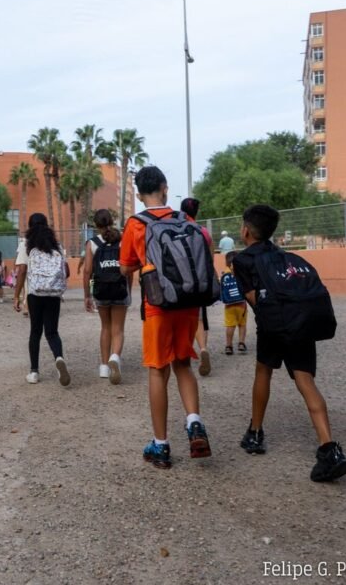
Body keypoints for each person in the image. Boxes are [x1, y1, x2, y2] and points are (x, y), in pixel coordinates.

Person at [232, 204, 346, 482]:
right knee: (305, 380)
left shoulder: (243, 260)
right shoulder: (285, 256)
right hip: (302, 322)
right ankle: (329, 448)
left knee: (264, 371)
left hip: (275, 326)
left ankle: (255, 433)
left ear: (246, 230)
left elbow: (253, 300)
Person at [120, 166, 212, 470]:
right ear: (164, 187)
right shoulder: (186, 219)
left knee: (158, 370)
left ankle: (160, 446)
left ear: (137, 193)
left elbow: (125, 267)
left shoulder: (136, 224)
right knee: (183, 363)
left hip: (158, 306)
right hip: (189, 304)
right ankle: (194, 423)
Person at [13, 213, 70, 386]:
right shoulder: (56, 245)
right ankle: (59, 357)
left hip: (34, 293)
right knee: (52, 332)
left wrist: (16, 296)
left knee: (35, 332)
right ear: (46, 225)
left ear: (30, 226)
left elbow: (22, 270)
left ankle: (34, 372)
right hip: (53, 293)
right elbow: (65, 272)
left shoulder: (26, 245)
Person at [83, 209, 131, 385]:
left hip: (101, 290)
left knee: (105, 328)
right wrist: (129, 288)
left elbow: (87, 271)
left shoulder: (92, 243)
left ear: (96, 225)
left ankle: (104, 367)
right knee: (118, 329)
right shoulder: (122, 240)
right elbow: (128, 267)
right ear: (111, 221)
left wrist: (87, 296)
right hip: (120, 289)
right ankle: (115, 358)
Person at [180, 197, 213, 377]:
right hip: (200, 281)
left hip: (181, 281)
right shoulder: (203, 232)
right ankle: (202, 349)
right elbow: (209, 258)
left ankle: (184, 354)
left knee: (182, 317)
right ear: (196, 212)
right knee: (199, 318)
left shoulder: (176, 229)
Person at [220, 251, 247, 355]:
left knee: (230, 326)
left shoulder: (224, 274)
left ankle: (229, 346)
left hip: (229, 306)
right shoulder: (241, 273)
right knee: (242, 324)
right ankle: (241, 343)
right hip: (241, 304)